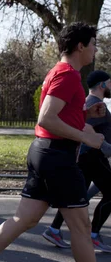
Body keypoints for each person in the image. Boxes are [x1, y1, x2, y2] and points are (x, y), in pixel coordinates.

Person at [0, 22, 111, 262]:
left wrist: (84, 113)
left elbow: (58, 114)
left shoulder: (62, 72)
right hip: (57, 156)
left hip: (45, 152)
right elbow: (46, 118)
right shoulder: (67, 75)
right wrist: (86, 137)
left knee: (26, 218)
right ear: (81, 45)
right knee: (80, 226)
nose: (95, 48)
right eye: (93, 43)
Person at [42, 70, 111, 252]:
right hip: (92, 157)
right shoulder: (96, 105)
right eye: (109, 82)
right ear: (102, 85)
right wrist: (105, 147)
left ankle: (54, 229)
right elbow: (82, 128)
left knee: (76, 198)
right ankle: (94, 235)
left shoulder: (92, 104)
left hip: (86, 158)